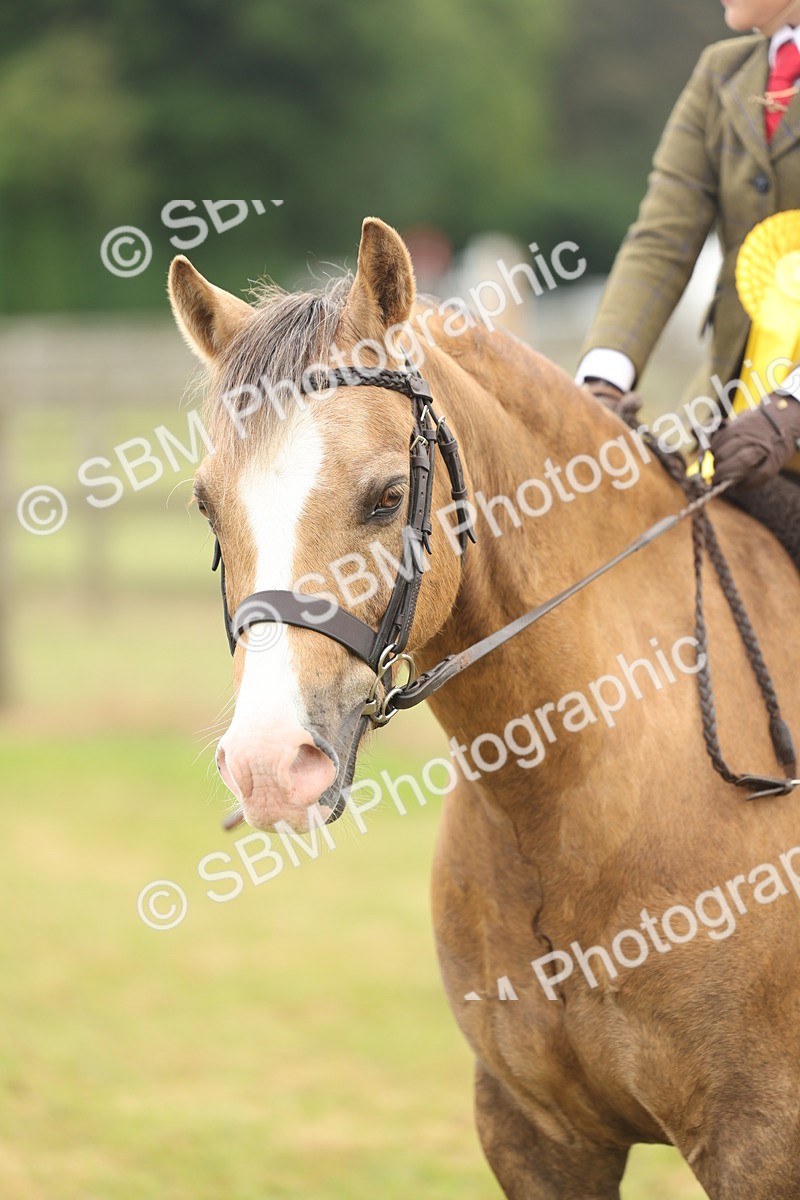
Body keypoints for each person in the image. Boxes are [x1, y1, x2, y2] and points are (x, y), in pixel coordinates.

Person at [577, 0, 800, 566]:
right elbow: (662, 241)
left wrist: (793, 405)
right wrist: (601, 382)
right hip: (725, 419)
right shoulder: (721, 72)